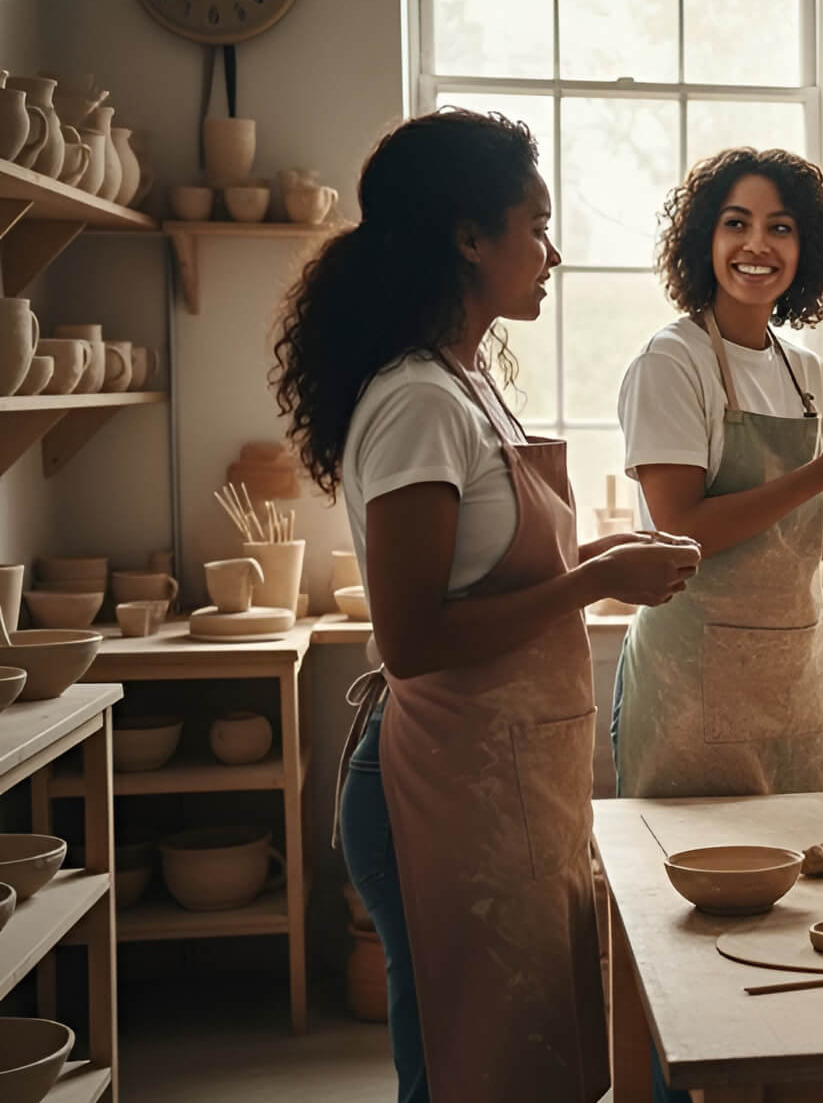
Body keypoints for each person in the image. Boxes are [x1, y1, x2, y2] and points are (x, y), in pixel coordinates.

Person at [274, 109, 700, 1103]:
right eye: (536, 224)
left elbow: (494, 578)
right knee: (468, 1076)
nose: (551, 253)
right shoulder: (419, 399)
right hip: (441, 783)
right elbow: (413, 638)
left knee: (523, 1067)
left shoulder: (468, 383)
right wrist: (595, 582)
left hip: (503, 777)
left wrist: (605, 552)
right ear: (469, 237)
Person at [612, 147, 823, 798]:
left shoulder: (806, 372)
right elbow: (681, 527)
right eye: (735, 223)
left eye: (780, 228)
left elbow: (803, 542)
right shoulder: (672, 362)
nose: (756, 244)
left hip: (792, 678)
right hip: (691, 682)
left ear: (806, 249)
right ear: (703, 239)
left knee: (807, 885)